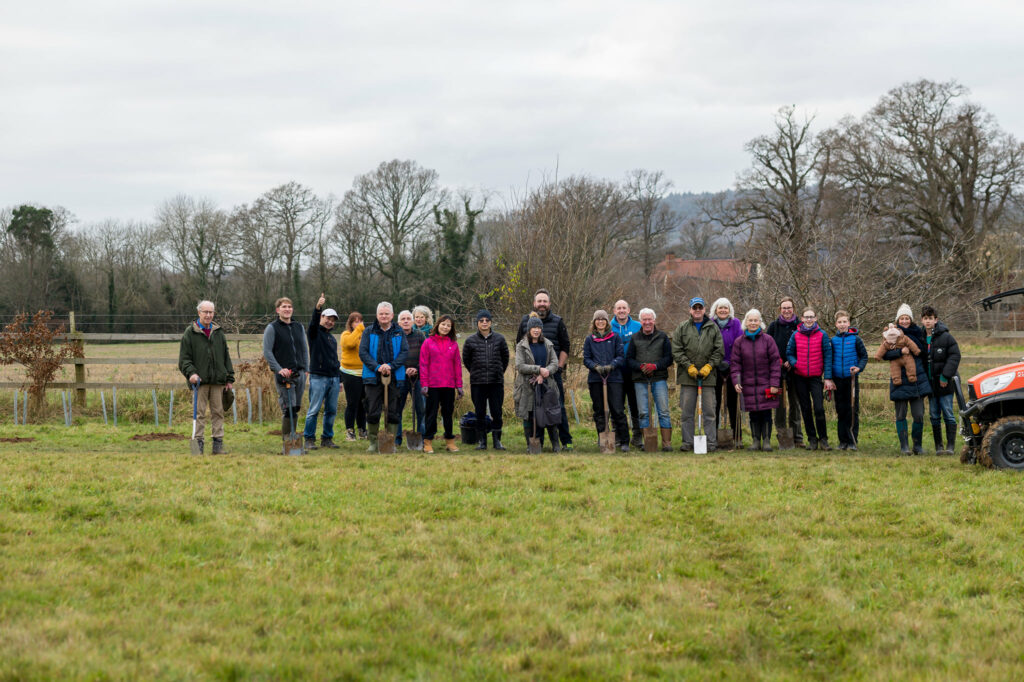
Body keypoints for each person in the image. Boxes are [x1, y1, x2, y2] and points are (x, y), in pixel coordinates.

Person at [516, 289, 573, 449]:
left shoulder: (557, 322)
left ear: (549, 303)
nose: (542, 304)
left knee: (556, 408)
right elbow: (519, 349)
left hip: (552, 376)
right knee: (533, 410)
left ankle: (564, 441)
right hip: (530, 379)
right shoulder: (524, 322)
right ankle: (536, 442)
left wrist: (555, 369)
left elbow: (565, 347)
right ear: (534, 303)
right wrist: (537, 371)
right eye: (539, 301)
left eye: (545, 301)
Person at [178, 300, 234, 454]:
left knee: (218, 412)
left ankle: (218, 446)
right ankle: (198, 446)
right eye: (205, 312)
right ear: (199, 313)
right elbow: (184, 359)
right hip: (199, 382)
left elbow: (225, 356)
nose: (208, 315)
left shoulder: (218, 332)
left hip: (217, 381)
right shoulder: (190, 333)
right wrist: (192, 373)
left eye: (211, 312)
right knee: (199, 413)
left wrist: (229, 377)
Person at [671, 297, 724, 452]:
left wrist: (709, 366)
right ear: (690, 310)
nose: (697, 310)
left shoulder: (713, 328)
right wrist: (689, 366)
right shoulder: (682, 328)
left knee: (709, 412)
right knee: (687, 412)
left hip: (708, 378)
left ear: (704, 310)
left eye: (700, 307)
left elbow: (719, 350)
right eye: (695, 308)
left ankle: (711, 443)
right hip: (688, 377)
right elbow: (677, 350)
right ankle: (687, 442)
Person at [879, 303, 932, 455]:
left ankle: (917, 445)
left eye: (906, 318)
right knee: (900, 414)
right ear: (897, 320)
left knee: (919, 414)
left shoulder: (918, 332)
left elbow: (922, 352)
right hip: (899, 379)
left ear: (911, 319)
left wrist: (913, 350)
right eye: (901, 318)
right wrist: (900, 352)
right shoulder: (891, 332)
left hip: (917, 378)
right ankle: (904, 446)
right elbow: (884, 354)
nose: (904, 321)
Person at [358, 302, 408, 453]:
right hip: (372, 377)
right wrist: (378, 367)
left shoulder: (399, 332)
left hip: (394, 376)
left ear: (392, 315)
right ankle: (373, 443)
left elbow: (404, 352)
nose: (384, 316)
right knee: (372, 409)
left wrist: (391, 366)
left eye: (387, 314)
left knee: (393, 410)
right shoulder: (368, 331)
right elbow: (363, 352)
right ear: (377, 315)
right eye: (381, 313)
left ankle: (390, 442)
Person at [730, 309, 781, 451]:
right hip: (748, 384)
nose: (753, 323)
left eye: (755, 320)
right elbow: (735, 364)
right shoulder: (739, 342)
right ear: (746, 322)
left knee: (766, 413)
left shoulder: (768, 340)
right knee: (753, 413)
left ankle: (766, 441)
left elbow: (775, 363)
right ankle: (755, 441)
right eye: (750, 320)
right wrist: (736, 381)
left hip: (766, 383)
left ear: (760, 322)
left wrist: (774, 383)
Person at [785, 308, 835, 450]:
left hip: (815, 377)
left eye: (811, 317)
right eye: (806, 317)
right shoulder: (795, 335)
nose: (808, 319)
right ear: (801, 318)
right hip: (800, 377)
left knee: (819, 408)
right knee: (805, 409)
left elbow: (828, 356)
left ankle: (823, 439)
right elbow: (789, 352)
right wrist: (796, 364)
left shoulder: (822, 335)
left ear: (815, 318)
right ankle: (812, 439)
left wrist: (828, 377)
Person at [262, 297, 309, 449]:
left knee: (296, 407)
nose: (287, 309)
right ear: (278, 310)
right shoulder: (272, 328)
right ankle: (288, 443)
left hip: (300, 373)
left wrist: (306, 368)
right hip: (284, 375)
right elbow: (268, 352)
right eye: (284, 307)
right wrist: (278, 369)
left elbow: (303, 348)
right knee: (288, 407)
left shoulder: (298, 327)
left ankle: (294, 442)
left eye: (289, 306)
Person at [626, 307, 673, 451]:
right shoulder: (634, 338)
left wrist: (656, 366)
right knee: (643, 412)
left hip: (658, 379)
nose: (647, 322)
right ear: (640, 321)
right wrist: (641, 367)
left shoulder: (662, 337)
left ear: (654, 320)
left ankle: (666, 443)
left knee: (663, 411)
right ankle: (648, 442)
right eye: (644, 320)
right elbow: (629, 360)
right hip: (640, 380)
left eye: (649, 319)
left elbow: (669, 358)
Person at [462, 309, 510, 450]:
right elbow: (467, 360)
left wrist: (498, 372)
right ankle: (482, 441)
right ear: (477, 323)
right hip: (478, 383)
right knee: (480, 412)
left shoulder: (499, 339)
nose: (484, 323)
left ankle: (497, 441)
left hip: (496, 382)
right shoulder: (470, 341)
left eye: (487, 320)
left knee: (497, 412)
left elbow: (505, 358)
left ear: (491, 322)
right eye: (481, 320)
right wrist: (477, 372)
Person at [583, 309, 629, 451]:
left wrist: (612, 366)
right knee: (599, 411)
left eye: (603, 319)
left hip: (614, 378)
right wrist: (595, 367)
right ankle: (603, 438)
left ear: (607, 322)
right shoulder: (589, 339)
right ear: (594, 322)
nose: (601, 321)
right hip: (596, 379)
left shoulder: (615, 337)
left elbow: (621, 356)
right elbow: (586, 359)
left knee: (617, 410)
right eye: (598, 319)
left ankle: (624, 441)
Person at [514, 313, 560, 451]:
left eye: (538, 327)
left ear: (541, 329)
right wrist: (538, 369)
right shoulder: (521, 346)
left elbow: (555, 363)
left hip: (546, 385)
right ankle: (532, 445)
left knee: (549, 414)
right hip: (527, 387)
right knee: (529, 416)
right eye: (533, 327)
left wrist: (545, 373)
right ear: (528, 329)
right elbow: (520, 366)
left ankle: (555, 444)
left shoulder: (548, 344)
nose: (536, 330)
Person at [302, 294, 341, 450]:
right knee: (314, 409)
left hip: (333, 378)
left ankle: (327, 438)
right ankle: (309, 438)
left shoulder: (332, 338)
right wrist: (318, 308)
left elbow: (335, 359)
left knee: (331, 411)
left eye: (333, 320)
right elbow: (313, 322)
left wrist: (340, 378)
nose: (330, 321)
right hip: (318, 377)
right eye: (327, 318)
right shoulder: (314, 333)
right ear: (322, 317)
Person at [419, 314, 463, 453]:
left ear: (451, 328)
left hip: (449, 385)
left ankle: (449, 441)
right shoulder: (428, 342)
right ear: (438, 325)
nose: (445, 327)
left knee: (448, 414)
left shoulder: (453, 344)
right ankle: (427, 441)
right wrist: (424, 384)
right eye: (443, 324)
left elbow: (457, 365)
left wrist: (459, 385)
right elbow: (424, 364)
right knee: (431, 414)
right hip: (433, 385)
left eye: (448, 325)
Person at [921, 305, 961, 455]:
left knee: (948, 413)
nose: (928, 321)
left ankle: (950, 446)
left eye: (930, 318)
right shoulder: (921, 337)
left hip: (944, 383)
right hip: (930, 385)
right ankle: (939, 446)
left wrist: (946, 375)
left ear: (936, 320)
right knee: (934, 414)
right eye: (925, 319)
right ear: (922, 320)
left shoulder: (946, 337)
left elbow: (955, 356)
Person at [767, 297, 803, 448]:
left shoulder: (800, 326)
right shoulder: (774, 326)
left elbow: (805, 346)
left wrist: (793, 360)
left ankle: (798, 438)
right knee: (779, 406)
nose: (787, 310)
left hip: (796, 370)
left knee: (795, 404)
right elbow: (767, 346)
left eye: (789, 307)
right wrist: (779, 362)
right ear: (780, 310)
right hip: (778, 371)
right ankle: (782, 436)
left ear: (793, 308)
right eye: (784, 308)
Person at [831, 311, 868, 451]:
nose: (842, 324)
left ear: (848, 323)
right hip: (837, 379)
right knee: (840, 410)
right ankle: (842, 441)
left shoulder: (856, 339)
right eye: (839, 322)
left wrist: (859, 368)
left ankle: (852, 440)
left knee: (852, 410)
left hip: (851, 379)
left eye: (844, 322)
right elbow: (830, 358)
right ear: (836, 324)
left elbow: (864, 356)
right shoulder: (833, 341)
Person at [612, 300, 644, 448]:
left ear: (629, 310)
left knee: (635, 405)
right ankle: (618, 435)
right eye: (619, 308)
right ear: (614, 311)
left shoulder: (638, 326)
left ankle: (637, 436)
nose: (621, 311)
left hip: (634, 372)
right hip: (615, 373)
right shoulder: (609, 326)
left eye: (624, 308)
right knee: (617, 406)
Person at [710, 297, 742, 440]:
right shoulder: (710, 324)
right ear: (715, 310)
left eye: (726, 308)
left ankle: (737, 436)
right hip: (714, 367)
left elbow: (739, 343)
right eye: (720, 308)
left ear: (730, 310)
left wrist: (730, 362)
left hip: (732, 367)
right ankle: (714, 436)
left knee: (733, 403)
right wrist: (716, 362)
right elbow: (707, 344)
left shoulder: (735, 323)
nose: (723, 310)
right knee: (714, 403)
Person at [394, 310, 426, 448]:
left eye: (408, 318)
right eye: (403, 319)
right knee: (397, 409)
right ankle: (397, 439)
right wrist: (403, 369)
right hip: (400, 377)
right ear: (398, 322)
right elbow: (392, 356)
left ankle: (422, 438)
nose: (406, 321)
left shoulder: (420, 335)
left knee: (421, 409)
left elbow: (425, 356)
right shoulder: (394, 335)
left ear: (412, 321)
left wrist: (416, 369)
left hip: (417, 378)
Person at [340, 312, 367, 441]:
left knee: (363, 403)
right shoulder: (346, 335)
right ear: (350, 323)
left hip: (364, 373)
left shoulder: (364, 336)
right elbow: (349, 344)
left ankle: (362, 429)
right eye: (355, 321)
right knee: (352, 403)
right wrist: (359, 329)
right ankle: (350, 431)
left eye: (360, 321)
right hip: (350, 374)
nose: (358, 324)